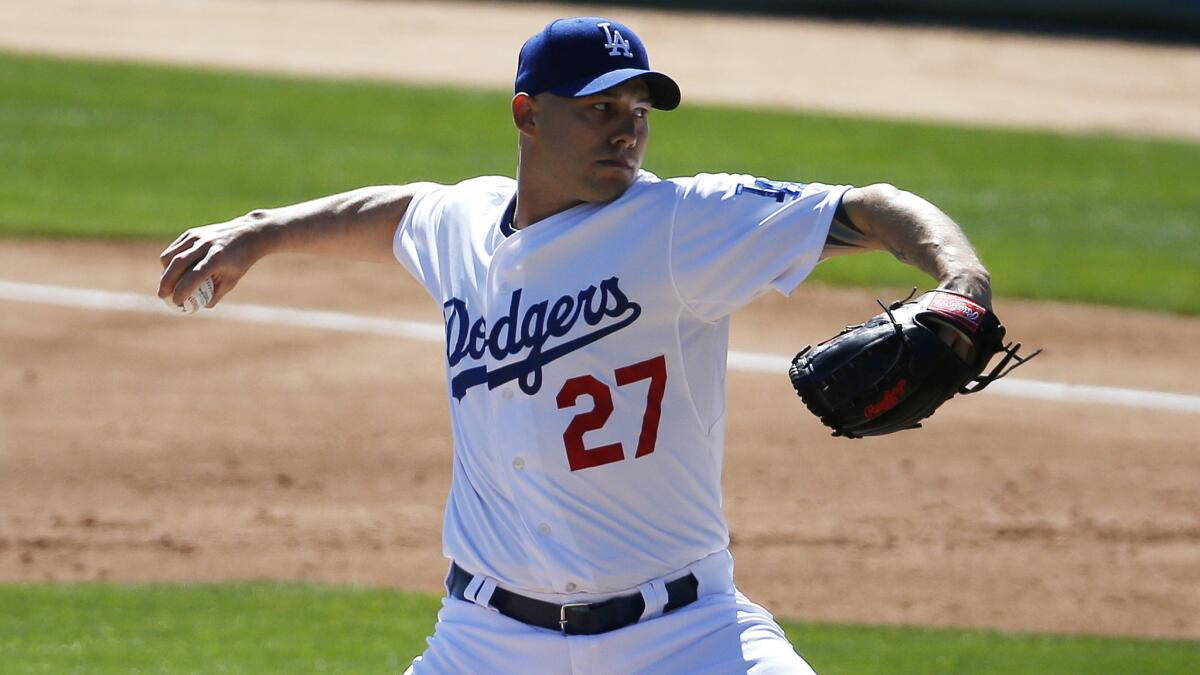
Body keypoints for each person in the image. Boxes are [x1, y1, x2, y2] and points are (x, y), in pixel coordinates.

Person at [158, 16, 992, 674]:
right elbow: (403, 210)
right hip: (486, 639)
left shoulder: (679, 224)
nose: (625, 131)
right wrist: (257, 232)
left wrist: (963, 282)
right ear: (528, 112)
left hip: (685, 638)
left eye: (637, 112)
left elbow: (875, 206)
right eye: (599, 109)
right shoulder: (464, 224)